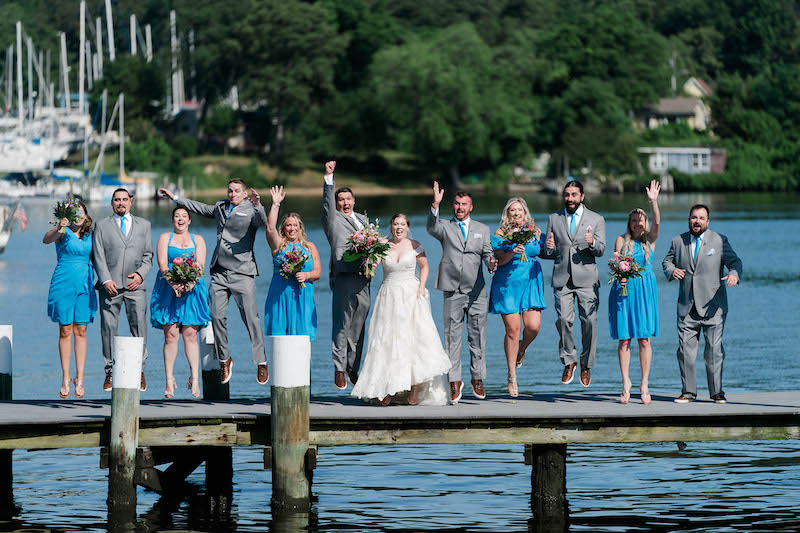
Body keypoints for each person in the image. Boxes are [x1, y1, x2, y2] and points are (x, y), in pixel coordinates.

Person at [159, 179, 269, 386]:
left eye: (237, 191)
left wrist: (258, 205)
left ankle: (261, 361)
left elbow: (263, 222)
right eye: (230, 190)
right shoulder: (219, 207)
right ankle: (224, 359)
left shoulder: (251, 210)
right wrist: (175, 198)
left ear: (245, 193)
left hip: (243, 272)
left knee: (251, 319)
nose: (233, 194)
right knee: (216, 317)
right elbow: (198, 208)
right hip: (219, 272)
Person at [352, 214, 450, 405]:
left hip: (410, 295)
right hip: (388, 296)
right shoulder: (383, 246)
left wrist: (422, 287)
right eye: (395, 224)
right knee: (386, 341)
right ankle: (385, 388)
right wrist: (370, 252)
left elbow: (425, 267)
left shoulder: (415, 245)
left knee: (412, 339)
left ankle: (414, 388)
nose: (399, 227)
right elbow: (371, 267)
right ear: (391, 227)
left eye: (402, 224)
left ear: (407, 227)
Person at [662, 204, 742, 404]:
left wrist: (733, 274)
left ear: (708, 221)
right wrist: (671, 271)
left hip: (714, 307)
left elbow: (735, 262)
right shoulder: (677, 241)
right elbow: (666, 262)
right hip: (687, 307)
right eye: (693, 217)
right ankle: (688, 392)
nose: (696, 221)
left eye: (701, 218)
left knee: (714, 351)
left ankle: (716, 393)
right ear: (689, 219)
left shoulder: (720, 241)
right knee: (685, 353)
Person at [427, 181, 495, 403]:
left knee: (477, 336)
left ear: (471, 207)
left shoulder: (482, 229)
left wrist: (492, 263)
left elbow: (487, 254)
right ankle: (454, 381)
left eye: (464, 204)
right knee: (452, 337)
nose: (459, 207)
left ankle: (478, 378)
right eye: (456, 204)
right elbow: (431, 227)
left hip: (477, 290)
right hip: (452, 290)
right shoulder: (445, 227)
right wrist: (435, 206)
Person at [540, 180, 606, 387]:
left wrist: (592, 242)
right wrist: (548, 247)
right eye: (567, 195)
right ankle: (569, 361)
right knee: (564, 321)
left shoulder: (596, 219)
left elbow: (601, 250)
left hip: (587, 279)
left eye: (574, 195)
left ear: (582, 196)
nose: (570, 198)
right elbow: (550, 252)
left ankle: (586, 364)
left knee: (589, 322)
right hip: (562, 278)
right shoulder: (554, 218)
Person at [93, 189, 153, 392]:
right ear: (112, 203)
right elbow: (98, 256)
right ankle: (109, 371)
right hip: (110, 287)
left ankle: (140, 370)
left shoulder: (144, 225)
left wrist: (140, 275)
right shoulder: (101, 226)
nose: (121, 203)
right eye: (117, 200)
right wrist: (106, 279)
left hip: (136, 286)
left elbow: (148, 255)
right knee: (108, 329)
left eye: (124, 199)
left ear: (131, 202)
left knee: (139, 328)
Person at [150, 207, 211, 399]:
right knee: (171, 336)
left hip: (193, 291)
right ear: (172, 220)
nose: (180, 219)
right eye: (176, 216)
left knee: (190, 334)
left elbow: (200, 266)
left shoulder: (198, 240)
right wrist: (174, 284)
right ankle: (169, 380)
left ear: (189, 220)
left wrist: (190, 284)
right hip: (168, 290)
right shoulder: (165, 238)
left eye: (184, 216)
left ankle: (194, 379)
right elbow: (162, 264)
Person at [609, 180, 661, 404]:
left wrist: (653, 202)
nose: (637, 224)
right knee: (624, 340)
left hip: (644, 290)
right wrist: (618, 271)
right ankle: (625, 383)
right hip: (624, 290)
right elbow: (613, 262)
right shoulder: (621, 240)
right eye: (633, 221)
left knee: (644, 339)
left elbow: (658, 222)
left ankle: (644, 383)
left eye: (640, 221)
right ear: (629, 223)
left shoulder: (650, 240)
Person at [321, 160, 371, 390]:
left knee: (359, 326)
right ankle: (338, 369)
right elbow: (327, 203)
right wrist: (329, 178)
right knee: (342, 324)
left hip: (364, 278)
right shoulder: (332, 218)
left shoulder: (363, 220)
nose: (345, 202)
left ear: (354, 201)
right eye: (341, 200)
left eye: (348, 199)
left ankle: (353, 366)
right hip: (342, 275)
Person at [489, 197, 546, 397]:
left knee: (533, 326)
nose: (516, 213)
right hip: (508, 282)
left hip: (531, 281)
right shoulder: (500, 233)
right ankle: (512, 374)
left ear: (525, 212)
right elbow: (499, 260)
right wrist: (512, 251)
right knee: (513, 330)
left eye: (519, 210)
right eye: (512, 210)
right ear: (507, 213)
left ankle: (522, 349)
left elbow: (547, 249)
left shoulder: (535, 231)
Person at [44, 201, 98, 398]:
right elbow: (46, 239)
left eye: (81, 212)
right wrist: (60, 227)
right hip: (63, 284)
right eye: (74, 212)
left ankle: (80, 378)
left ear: (85, 216)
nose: (78, 215)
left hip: (85, 284)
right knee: (65, 330)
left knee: (81, 330)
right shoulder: (62, 231)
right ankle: (66, 377)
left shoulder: (90, 235)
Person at [264, 185, 320, 340]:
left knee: (302, 337)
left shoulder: (310, 247)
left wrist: (307, 275)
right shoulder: (279, 245)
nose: (292, 228)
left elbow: (318, 272)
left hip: (302, 295)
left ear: (300, 227)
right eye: (288, 225)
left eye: (295, 225)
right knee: (281, 336)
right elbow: (269, 229)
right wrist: (275, 205)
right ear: (284, 228)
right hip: (281, 293)